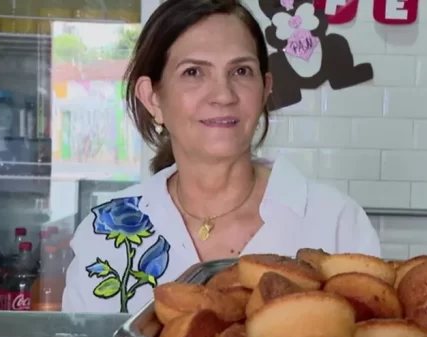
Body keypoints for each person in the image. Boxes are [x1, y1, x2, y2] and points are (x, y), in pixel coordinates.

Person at [61, 0, 381, 314]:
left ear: (264, 88)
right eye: (193, 72)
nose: (224, 95)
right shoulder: (102, 235)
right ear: (152, 97)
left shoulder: (335, 222)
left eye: (241, 71)